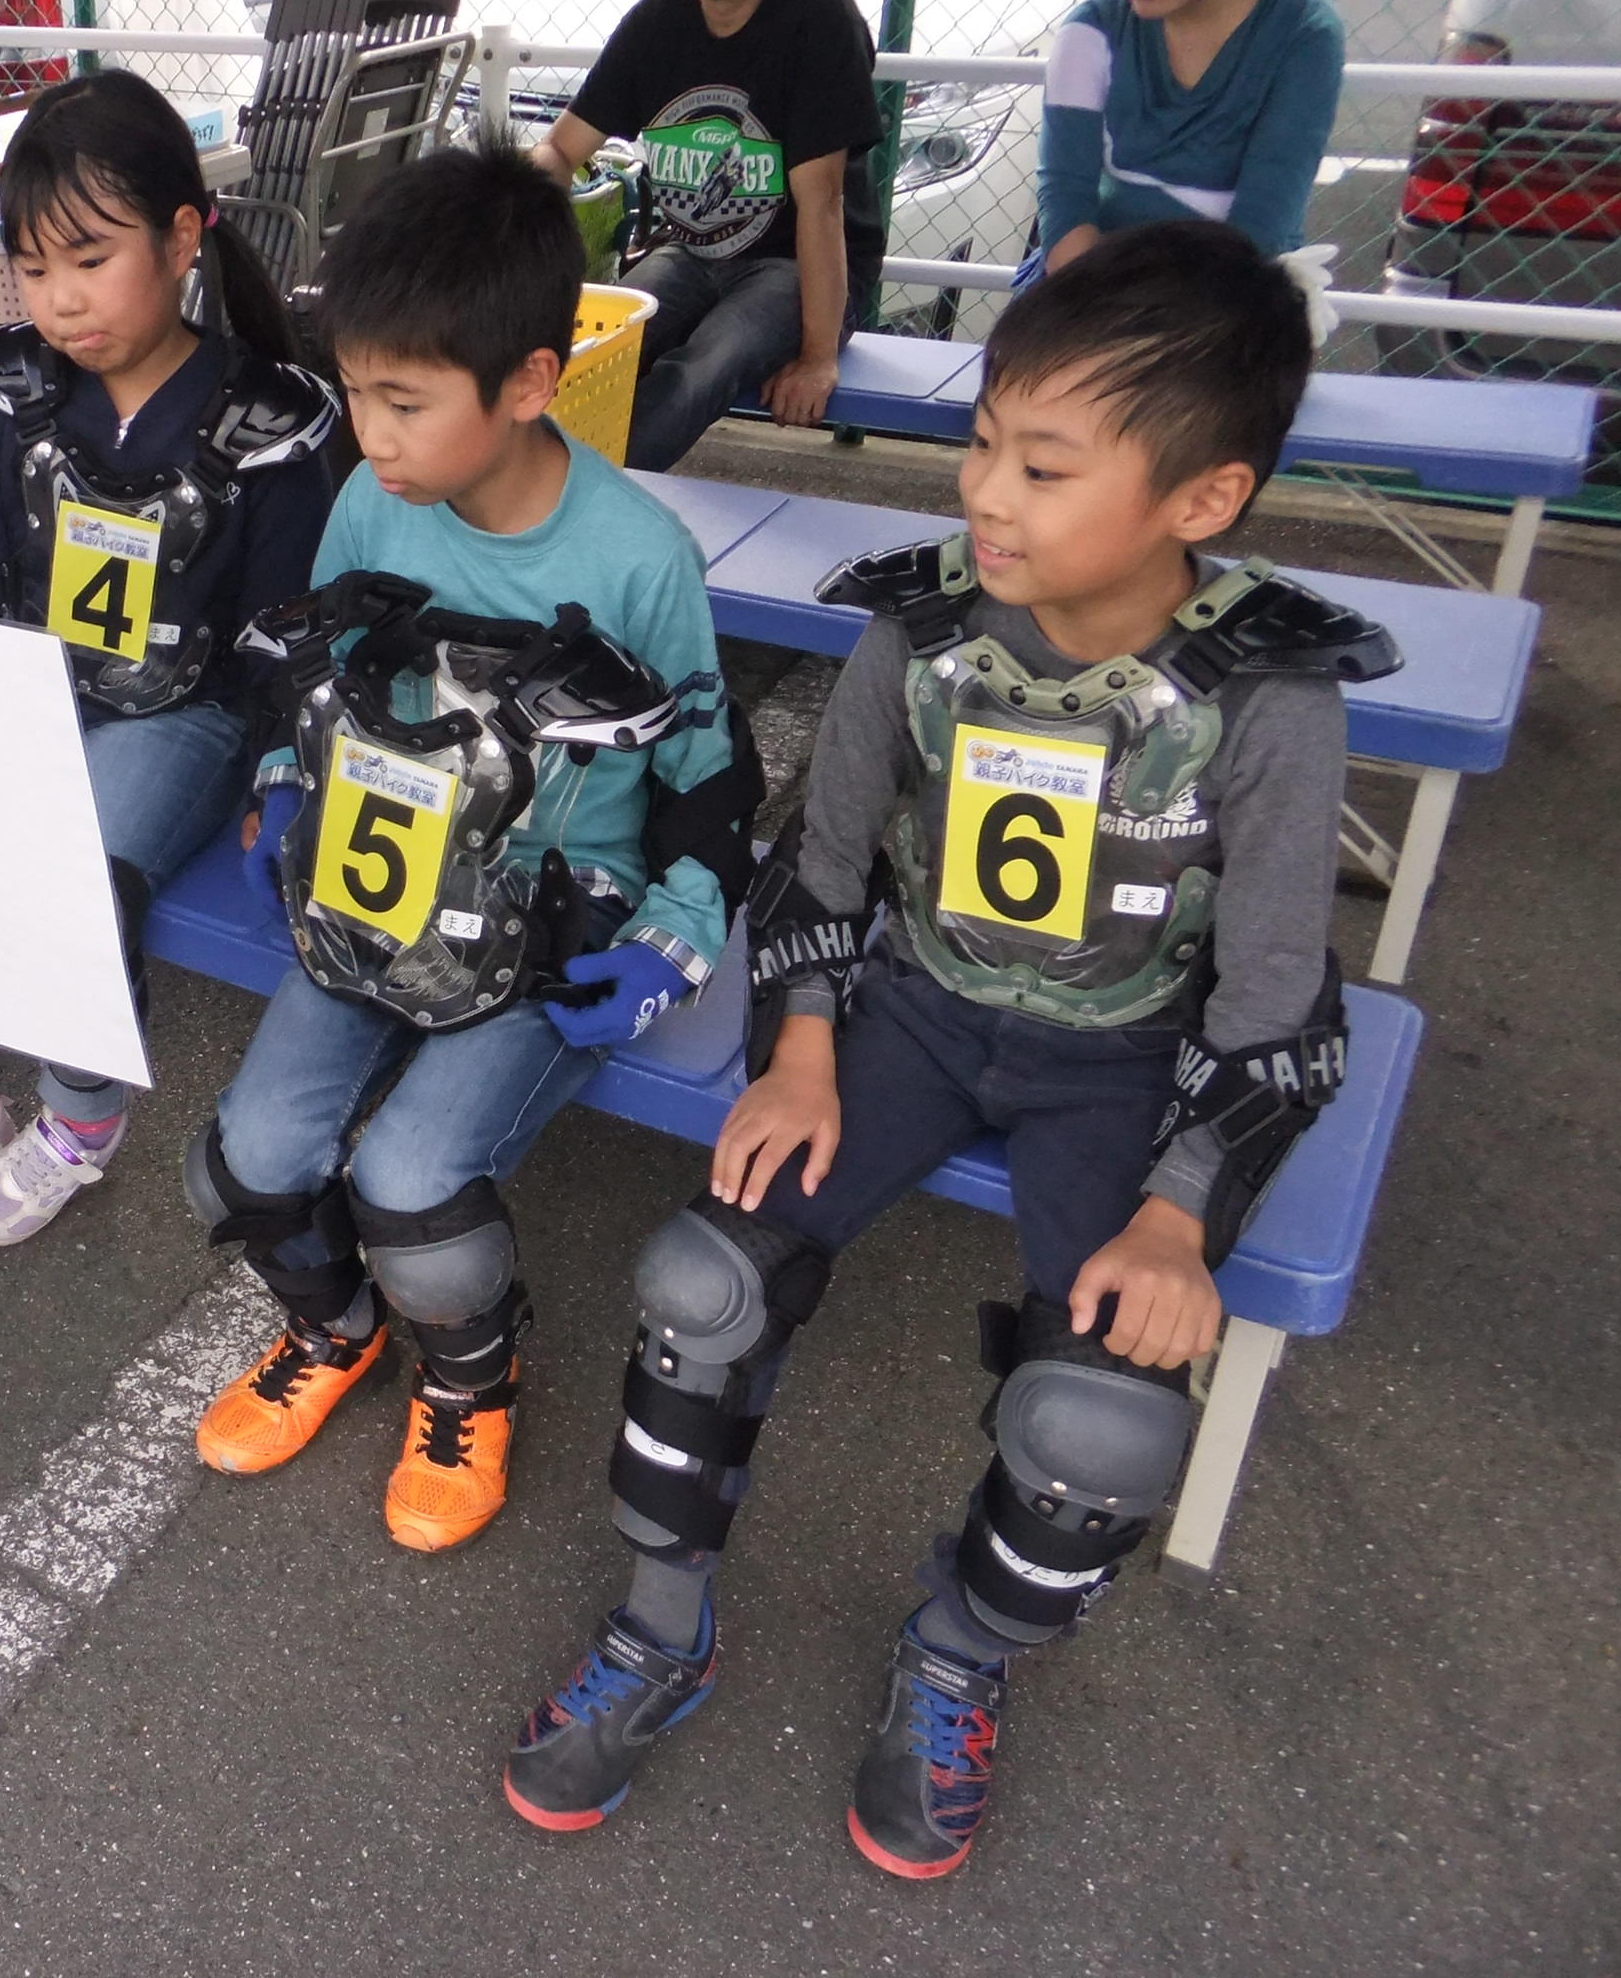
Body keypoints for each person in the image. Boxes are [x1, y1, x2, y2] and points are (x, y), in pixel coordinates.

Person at [500, 222, 1397, 1871]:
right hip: (907, 1011)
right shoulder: (922, 627)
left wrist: (1181, 1207)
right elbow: (819, 860)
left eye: (1045, 467)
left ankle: (956, 1656)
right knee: (704, 1281)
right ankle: (659, 1628)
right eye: (985, 440)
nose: (986, 492)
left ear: (1201, 499)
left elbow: (1277, 997)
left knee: (1107, 1422)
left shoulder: (1266, 692)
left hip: (1123, 1060)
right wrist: (803, 1048)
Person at [185, 142, 763, 1554]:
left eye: (402, 400)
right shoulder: (380, 500)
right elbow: (318, 676)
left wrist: (667, 947)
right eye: (356, 390)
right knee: (245, 1161)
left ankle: (470, 1379)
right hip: (383, 890)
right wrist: (282, 784)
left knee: (412, 1191)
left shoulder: (636, 559)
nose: (367, 435)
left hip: (561, 925)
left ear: (526, 385)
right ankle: (337, 1332)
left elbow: (709, 777)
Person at [0, 70, 337, 1258]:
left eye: (88, 258)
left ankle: (79, 1120)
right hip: (22, 685)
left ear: (183, 236)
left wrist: (285, 775)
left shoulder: (274, 419)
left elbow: (289, 629)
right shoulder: (6, 389)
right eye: (32, 267)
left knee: (77, 867)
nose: (58, 300)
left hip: (186, 711)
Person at [534, 0, 882, 472]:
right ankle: (518, 484)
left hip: (799, 267)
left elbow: (822, 201)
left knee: (701, 367)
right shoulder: (658, 21)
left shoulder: (819, 18)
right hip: (690, 252)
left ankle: (576, 505)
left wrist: (819, 356)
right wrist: (515, 228)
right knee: (586, 348)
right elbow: (560, 150)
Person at [1037, 0, 1345, 274]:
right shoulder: (1088, 31)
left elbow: (1263, 226)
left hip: (1233, 295)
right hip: (1094, 290)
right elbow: (1065, 200)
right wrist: (1102, 319)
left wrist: (1166, 330)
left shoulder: (1304, 30)